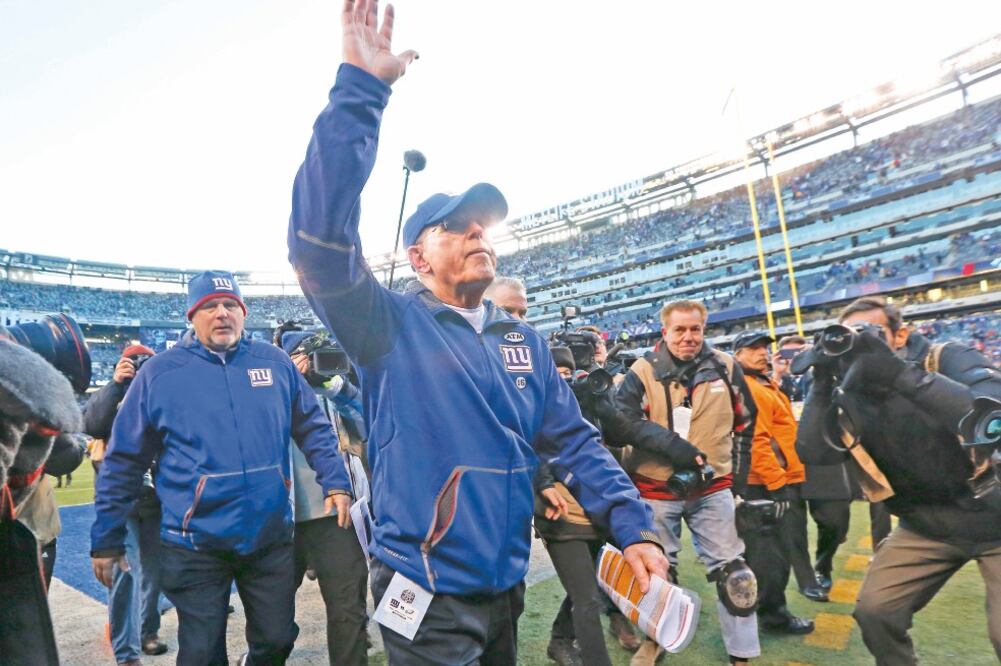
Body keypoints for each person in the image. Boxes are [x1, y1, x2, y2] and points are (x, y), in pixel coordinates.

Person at [287, 3, 667, 662]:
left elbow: (574, 441)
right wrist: (359, 92)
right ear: (416, 257)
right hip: (424, 587)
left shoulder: (521, 341)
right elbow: (317, 241)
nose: (475, 232)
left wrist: (630, 523)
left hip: (503, 581)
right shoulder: (386, 325)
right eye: (454, 225)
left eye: (481, 224)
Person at [91, 270, 352, 666]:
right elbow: (125, 460)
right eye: (209, 306)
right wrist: (107, 538)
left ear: (244, 313)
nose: (222, 314)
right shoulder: (160, 374)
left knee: (278, 639)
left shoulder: (275, 362)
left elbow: (313, 427)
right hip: (195, 542)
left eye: (231, 305)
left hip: (268, 536)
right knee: (200, 652)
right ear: (192, 316)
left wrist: (336, 481)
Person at [795, 296, 1001, 664]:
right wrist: (821, 383)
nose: (861, 343)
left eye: (870, 333)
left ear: (901, 334)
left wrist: (899, 373)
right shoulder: (849, 393)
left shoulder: (945, 357)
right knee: (876, 612)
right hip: (924, 525)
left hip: (994, 517)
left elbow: (989, 415)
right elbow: (815, 455)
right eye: (852, 335)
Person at [616, 299, 760, 666]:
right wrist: (671, 445)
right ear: (665, 332)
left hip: (714, 488)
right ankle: (654, 642)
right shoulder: (641, 370)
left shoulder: (726, 367)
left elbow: (746, 424)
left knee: (736, 575)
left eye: (695, 329)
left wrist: (737, 484)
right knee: (657, 574)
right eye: (679, 330)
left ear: (704, 329)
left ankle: (742, 655)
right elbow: (620, 422)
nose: (688, 337)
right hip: (654, 489)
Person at [534, 347, 642, 665]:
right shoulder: (530, 398)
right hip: (560, 510)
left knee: (589, 584)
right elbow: (523, 443)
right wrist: (542, 482)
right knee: (587, 597)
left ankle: (559, 640)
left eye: (569, 374)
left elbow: (617, 434)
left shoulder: (587, 397)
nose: (565, 382)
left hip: (597, 505)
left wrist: (600, 397)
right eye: (558, 375)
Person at [280, 329, 370, 666]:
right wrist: (289, 381)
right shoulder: (270, 385)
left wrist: (339, 389)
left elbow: (369, 425)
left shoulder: (335, 389)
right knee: (271, 619)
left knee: (348, 610)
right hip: (283, 519)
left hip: (339, 515)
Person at [84, 344, 169, 663]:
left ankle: (148, 632)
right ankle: (126, 652)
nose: (138, 369)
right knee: (124, 574)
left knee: (154, 574)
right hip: (122, 502)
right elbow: (92, 424)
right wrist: (116, 384)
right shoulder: (113, 393)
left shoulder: (158, 391)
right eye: (133, 364)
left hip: (157, 500)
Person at [732, 330, 818, 636]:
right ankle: (772, 616)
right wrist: (777, 484)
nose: (762, 353)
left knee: (769, 554)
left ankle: (760, 613)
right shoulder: (751, 387)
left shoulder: (761, 382)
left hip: (775, 479)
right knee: (772, 556)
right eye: (752, 348)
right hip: (767, 485)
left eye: (764, 348)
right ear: (738, 354)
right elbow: (756, 441)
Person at [777, 335, 852, 593]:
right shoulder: (770, 380)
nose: (794, 360)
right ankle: (807, 580)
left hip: (822, 455)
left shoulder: (823, 375)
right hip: (784, 460)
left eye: (799, 353)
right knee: (792, 528)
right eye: (788, 355)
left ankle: (823, 564)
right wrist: (776, 376)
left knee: (835, 521)